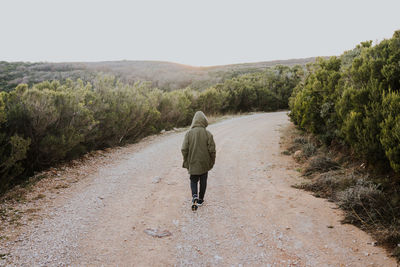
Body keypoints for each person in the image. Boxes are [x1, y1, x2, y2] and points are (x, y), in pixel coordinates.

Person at [181, 111, 216, 208]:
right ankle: (200, 200)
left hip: (192, 162)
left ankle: (194, 195)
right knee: (203, 181)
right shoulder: (208, 134)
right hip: (205, 163)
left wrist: (186, 160)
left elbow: (184, 149)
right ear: (204, 121)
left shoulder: (188, 134)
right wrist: (212, 161)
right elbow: (212, 150)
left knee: (193, 180)